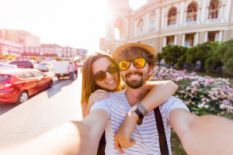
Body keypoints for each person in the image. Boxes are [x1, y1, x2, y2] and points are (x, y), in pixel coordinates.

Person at [81, 52, 179, 154]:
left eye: (112, 69)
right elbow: (88, 129)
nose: (109, 76)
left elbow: (170, 85)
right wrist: (89, 107)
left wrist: (133, 115)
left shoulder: (128, 87)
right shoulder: (92, 99)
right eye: (100, 75)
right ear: (92, 79)